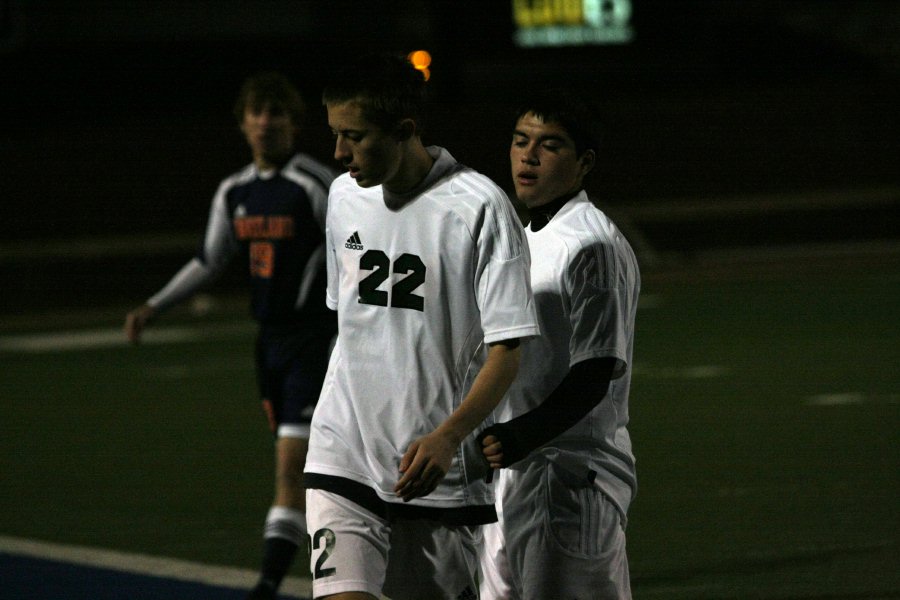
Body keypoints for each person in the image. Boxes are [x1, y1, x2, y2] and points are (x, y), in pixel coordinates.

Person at [302, 52, 539, 600]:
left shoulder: (479, 207)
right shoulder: (343, 196)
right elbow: (352, 325)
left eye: (354, 137)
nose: (339, 154)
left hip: (432, 463)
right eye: (334, 134)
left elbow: (507, 350)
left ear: (404, 130)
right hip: (344, 445)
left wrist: (449, 436)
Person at [122, 72, 337, 600]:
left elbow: (357, 250)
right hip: (268, 347)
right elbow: (210, 258)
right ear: (242, 124)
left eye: (277, 113)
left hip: (315, 341)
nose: (266, 123)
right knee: (301, 467)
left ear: (294, 123)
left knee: (293, 466)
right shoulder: (235, 191)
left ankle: (268, 583)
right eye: (257, 113)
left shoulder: (317, 184)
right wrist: (156, 305)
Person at [478, 91, 641, 599]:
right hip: (514, 477)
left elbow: (596, 370)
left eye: (549, 145)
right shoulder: (522, 236)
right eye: (521, 141)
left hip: (569, 480)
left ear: (584, 162)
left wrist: (522, 433)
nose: (528, 156)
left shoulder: (591, 245)